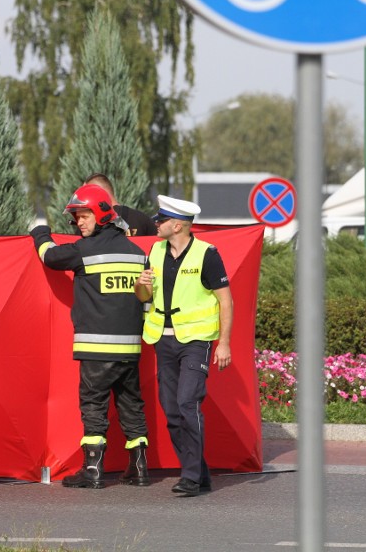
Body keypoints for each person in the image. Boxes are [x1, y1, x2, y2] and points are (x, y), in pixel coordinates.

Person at [30, 184, 150, 489]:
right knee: (131, 404)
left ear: (101, 214)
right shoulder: (138, 254)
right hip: (131, 348)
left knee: (94, 405)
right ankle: (139, 469)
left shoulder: (85, 250)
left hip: (96, 349)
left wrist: (40, 233)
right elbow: (146, 297)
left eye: (84, 216)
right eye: (77, 218)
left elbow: (51, 257)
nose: (79, 223)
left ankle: (93, 469)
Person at [134, 195, 233, 497]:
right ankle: (199, 471)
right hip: (162, 340)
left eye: (161, 220)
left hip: (196, 341)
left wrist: (223, 343)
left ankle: (189, 476)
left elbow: (225, 300)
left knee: (188, 404)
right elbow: (142, 297)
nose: (156, 223)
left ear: (178, 225)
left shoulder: (207, 254)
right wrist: (142, 284)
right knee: (172, 410)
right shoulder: (155, 250)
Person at [84, 173, 157, 237]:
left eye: (87, 195)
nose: (84, 200)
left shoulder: (88, 223)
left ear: (99, 194)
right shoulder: (143, 220)